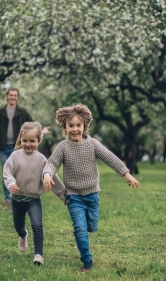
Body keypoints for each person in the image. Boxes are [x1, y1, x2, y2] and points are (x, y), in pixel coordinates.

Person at [42, 103, 140, 273]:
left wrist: (126, 173)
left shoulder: (92, 144)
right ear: (65, 127)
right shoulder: (62, 147)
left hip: (92, 195)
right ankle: (87, 261)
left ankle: (87, 230)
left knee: (91, 227)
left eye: (78, 125)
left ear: (84, 126)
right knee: (79, 228)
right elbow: (51, 163)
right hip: (73, 197)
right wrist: (47, 174)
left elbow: (110, 158)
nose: (74, 129)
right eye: (70, 125)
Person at [0, 87, 50, 207]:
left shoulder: (22, 112)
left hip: (18, 147)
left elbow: (33, 125)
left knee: (19, 172)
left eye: (15, 95)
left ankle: (19, 197)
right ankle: (8, 198)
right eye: (10, 95)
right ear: (7, 96)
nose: (12, 97)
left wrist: (41, 131)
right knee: (6, 172)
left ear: (17, 97)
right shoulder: (0, 112)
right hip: (3, 147)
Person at [3, 122, 65, 266]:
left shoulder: (42, 159)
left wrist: (63, 194)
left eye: (32, 141)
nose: (28, 144)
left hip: (33, 199)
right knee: (18, 226)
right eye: (25, 141)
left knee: (37, 225)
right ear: (20, 140)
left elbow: (52, 177)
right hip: (17, 200)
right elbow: (7, 172)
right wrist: (11, 183)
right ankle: (23, 235)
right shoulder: (15, 156)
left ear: (38, 141)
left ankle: (38, 254)